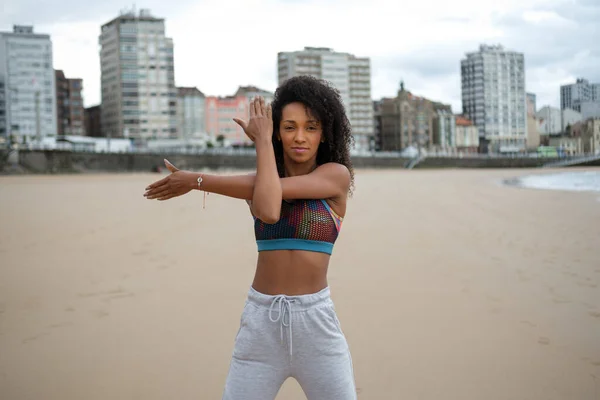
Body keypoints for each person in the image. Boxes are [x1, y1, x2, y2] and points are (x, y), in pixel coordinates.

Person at [143, 75, 357, 399]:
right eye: (288, 127)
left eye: (311, 127)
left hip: (316, 325)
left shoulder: (335, 176)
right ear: (277, 132)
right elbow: (265, 192)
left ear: (325, 132)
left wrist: (258, 143)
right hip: (261, 325)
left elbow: (270, 207)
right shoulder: (260, 183)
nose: (300, 137)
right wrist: (193, 178)